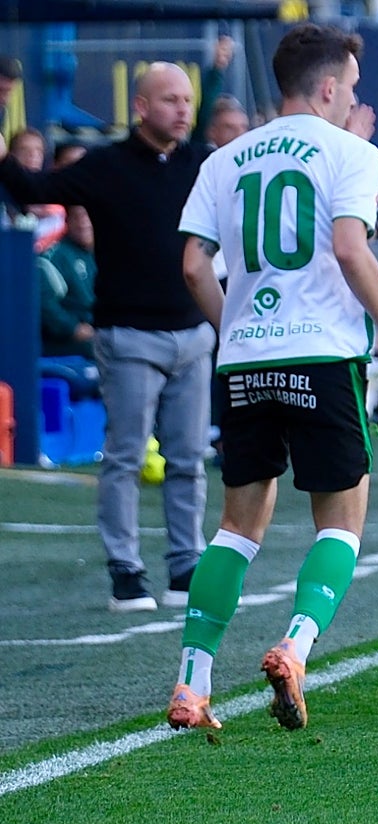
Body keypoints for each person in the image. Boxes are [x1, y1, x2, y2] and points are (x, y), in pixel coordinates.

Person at [168, 22, 378, 732]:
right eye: (353, 87)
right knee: (340, 523)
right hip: (322, 354)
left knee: (235, 529)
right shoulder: (353, 153)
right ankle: (295, 646)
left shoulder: (224, 159)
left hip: (245, 358)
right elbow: (349, 247)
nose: (355, 100)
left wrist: (236, 331)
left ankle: (193, 683)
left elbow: (193, 266)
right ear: (330, 86)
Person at [0, 62, 216, 612]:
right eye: (169, 100)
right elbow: (32, 189)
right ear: (140, 107)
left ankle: (186, 564)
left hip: (193, 333)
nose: (182, 110)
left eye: (187, 99)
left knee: (189, 458)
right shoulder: (104, 165)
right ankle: (126, 570)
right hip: (128, 335)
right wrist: (3, 156)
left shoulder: (203, 162)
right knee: (124, 457)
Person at [38, 205, 96, 358]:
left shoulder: (102, 253)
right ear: (67, 221)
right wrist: (73, 328)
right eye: (77, 217)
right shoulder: (56, 255)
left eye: (87, 216)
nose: (83, 223)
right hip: (68, 344)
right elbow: (43, 302)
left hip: (103, 332)